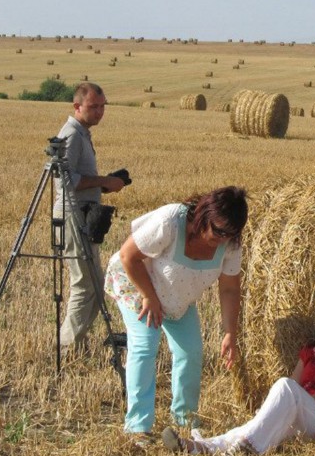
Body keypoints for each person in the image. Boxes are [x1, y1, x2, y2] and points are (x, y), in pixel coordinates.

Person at [105, 186, 248, 440]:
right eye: (218, 230)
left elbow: (229, 289)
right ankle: (138, 427)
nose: (222, 239)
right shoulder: (172, 220)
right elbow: (129, 256)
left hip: (176, 296)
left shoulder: (230, 244)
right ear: (204, 214)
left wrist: (229, 332)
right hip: (139, 286)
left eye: (230, 233)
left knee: (190, 351)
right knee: (145, 345)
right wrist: (149, 296)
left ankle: (185, 419)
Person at [162, 288, 315, 456]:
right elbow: (295, 383)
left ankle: (249, 449)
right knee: (256, 425)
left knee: (282, 389)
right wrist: (278, 407)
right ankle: (197, 447)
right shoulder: (313, 350)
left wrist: (290, 402)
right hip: (305, 413)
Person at [55, 82, 127, 351]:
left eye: (102, 106)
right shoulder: (72, 135)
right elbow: (64, 181)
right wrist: (102, 180)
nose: (99, 112)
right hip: (74, 216)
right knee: (85, 286)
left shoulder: (82, 133)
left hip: (82, 214)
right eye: (93, 106)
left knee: (94, 286)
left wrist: (105, 184)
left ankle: (75, 344)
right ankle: (65, 348)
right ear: (77, 106)